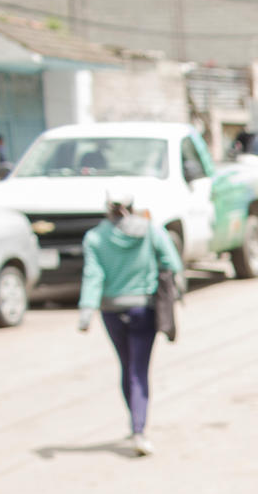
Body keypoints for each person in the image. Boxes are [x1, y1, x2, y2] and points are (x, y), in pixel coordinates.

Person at [78, 190, 182, 457]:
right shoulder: (149, 230)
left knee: (126, 366)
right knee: (138, 369)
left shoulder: (95, 237)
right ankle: (139, 429)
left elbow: (93, 275)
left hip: (112, 311)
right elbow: (172, 261)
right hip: (142, 308)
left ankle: (135, 420)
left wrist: (87, 310)